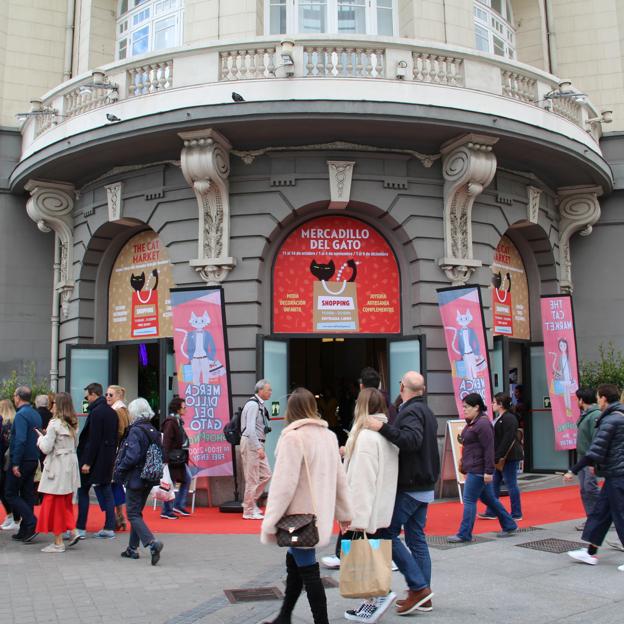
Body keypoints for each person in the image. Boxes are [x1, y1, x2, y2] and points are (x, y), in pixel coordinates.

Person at [260, 387, 351, 624]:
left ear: (292, 410)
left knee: (308, 570)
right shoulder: (329, 436)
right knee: (295, 562)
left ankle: (320, 621)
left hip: (299, 518)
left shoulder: (293, 437)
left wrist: (269, 521)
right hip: (317, 516)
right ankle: (284, 616)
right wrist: (344, 514)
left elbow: (283, 486)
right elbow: (340, 478)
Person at [365, 371, 440, 616]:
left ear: (401, 386)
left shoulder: (411, 411)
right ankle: (423, 594)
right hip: (424, 484)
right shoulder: (426, 411)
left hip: (412, 485)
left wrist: (383, 427)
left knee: (386, 533)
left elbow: (412, 440)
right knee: (417, 538)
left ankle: (418, 588)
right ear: (424, 388)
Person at [342, 388, 399, 623]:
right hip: (381, 506)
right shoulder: (385, 433)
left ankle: (378, 597)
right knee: (373, 555)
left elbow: (362, 482)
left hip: (367, 508)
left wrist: (354, 518)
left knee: (366, 558)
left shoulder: (366, 436)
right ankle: (374, 598)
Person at [565, 384, 624, 570]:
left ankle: (590, 552)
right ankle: (590, 552)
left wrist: (573, 469)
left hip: (617, 474)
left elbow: (595, 451)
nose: (597, 400)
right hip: (614, 473)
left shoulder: (611, 420)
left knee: (620, 515)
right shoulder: (618, 416)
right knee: (601, 513)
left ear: (604, 398)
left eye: (599, 397)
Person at [449, 393, 517, 546]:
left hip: (478, 469)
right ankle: (509, 524)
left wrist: (488, 471)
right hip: (475, 467)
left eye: (467, 407)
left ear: (476, 407)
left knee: (469, 500)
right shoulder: (475, 422)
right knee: (489, 499)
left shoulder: (483, 424)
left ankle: (464, 533)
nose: (464, 409)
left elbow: (488, 449)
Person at [114, 397, 164, 565]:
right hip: (149, 477)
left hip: (135, 477)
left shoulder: (136, 431)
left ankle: (151, 543)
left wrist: (120, 468)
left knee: (133, 513)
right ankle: (132, 548)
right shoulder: (153, 430)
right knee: (137, 512)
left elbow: (132, 455)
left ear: (134, 413)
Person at [35, 392, 81, 552]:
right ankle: (72, 530)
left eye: (53, 402)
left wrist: (40, 439)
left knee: (53, 502)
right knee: (65, 501)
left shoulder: (54, 424)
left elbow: (47, 447)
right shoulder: (73, 423)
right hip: (70, 465)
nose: (51, 405)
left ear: (58, 405)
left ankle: (58, 541)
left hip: (57, 466)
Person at [76, 382, 118, 539]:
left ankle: (80, 527)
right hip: (106, 458)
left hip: (94, 459)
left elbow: (93, 439)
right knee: (106, 491)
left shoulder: (96, 412)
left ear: (93, 394)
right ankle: (109, 526)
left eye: (87, 396)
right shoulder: (111, 412)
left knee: (83, 491)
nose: (86, 399)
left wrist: (87, 462)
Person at [5, 385, 42, 542]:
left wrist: (15, 463)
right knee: (27, 494)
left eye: (14, 395)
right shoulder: (35, 414)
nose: (14, 398)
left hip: (22, 459)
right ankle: (26, 529)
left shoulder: (21, 415)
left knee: (10, 493)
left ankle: (31, 520)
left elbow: (20, 440)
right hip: (33, 458)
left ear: (18, 397)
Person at [478, 392, 523, 521]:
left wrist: (497, 456)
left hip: (508, 456)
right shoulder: (501, 417)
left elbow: (507, 439)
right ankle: (492, 511)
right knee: (494, 483)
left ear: (500, 404)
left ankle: (516, 513)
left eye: (494, 402)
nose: (492, 404)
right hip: (500, 456)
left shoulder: (509, 418)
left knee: (511, 484)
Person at [241, 379, 273, 520]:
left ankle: (250, 502)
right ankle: (248, 510)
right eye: (268, 390)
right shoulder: (253, 405)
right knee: (252, 478)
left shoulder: (258, 404)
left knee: (266, 474)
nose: (270, 392)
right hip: (252, 443)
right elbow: (250, 429)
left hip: (256, 443)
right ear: (260, 390)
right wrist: (258, 447)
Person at [572, 387, 601, 531]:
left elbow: (596, 440)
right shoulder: (586, 414)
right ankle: (592, 517)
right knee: (585, 489)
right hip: (583, 456)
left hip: (589, 458)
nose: (576, 401)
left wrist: (593, 461)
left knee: (590, 488)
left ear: (582, 400)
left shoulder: (594, 415)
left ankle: (602, 516)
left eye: (577, 399)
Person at [161, 396, 192, 519]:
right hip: (173, 458)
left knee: (186, 478)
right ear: (178, 409)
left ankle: (177, 505)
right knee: (169, 483)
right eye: (184, 407)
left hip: (178, 457)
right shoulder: (171, 422)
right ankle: (167, 510)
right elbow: (166, 441)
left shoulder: (177, 421)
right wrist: (165, 460)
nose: (186, 409)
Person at [106, 385, 130, 531]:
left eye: (110, 395)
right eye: (107, 394)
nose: (107, 397)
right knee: (116, 484)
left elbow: (120, 432)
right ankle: (120, 515)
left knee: (109, 484)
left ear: (118, 396)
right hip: (121, 452)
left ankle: (117, 517)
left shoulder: (117, 411)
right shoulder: (124, 410)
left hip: (115, 452)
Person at [0, 399, 18, 531]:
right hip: (12, 459)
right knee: (10, 490)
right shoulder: (16, 420)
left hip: (4, 461)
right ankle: (12, 517)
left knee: (5, 491)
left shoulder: (4, 424)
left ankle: (12, 517)